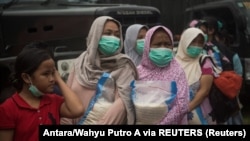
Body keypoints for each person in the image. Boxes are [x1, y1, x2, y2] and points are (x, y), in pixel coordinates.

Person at [60, 16, 139, 125]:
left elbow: (122, 106)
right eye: (108, 33)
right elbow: (67, 99)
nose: (113, 38)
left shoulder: (124, 66)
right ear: (95, 35)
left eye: (117, 35)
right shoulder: (80, 62)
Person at [0, 46, 84, 141]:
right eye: (46, 74)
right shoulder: (8, 108)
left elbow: (78, 110)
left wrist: (59, 80)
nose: (52, 79)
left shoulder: (53, 101)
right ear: (27, 78)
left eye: (53, 73)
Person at [136, 25, 189, 124]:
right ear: (148, 46)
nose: (163, 48)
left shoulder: (178, 71)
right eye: (158, 44)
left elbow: (182, 105)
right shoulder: (138, 72)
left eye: (167, 44)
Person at [175, 27, 216, 125]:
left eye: (200, 42)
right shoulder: (173, 61)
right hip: (176, 113)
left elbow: (204, 91)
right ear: (185, 41)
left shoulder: (205, 61)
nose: (196, 46)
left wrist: (186, 109)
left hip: (200, 111)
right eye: (193, 41)